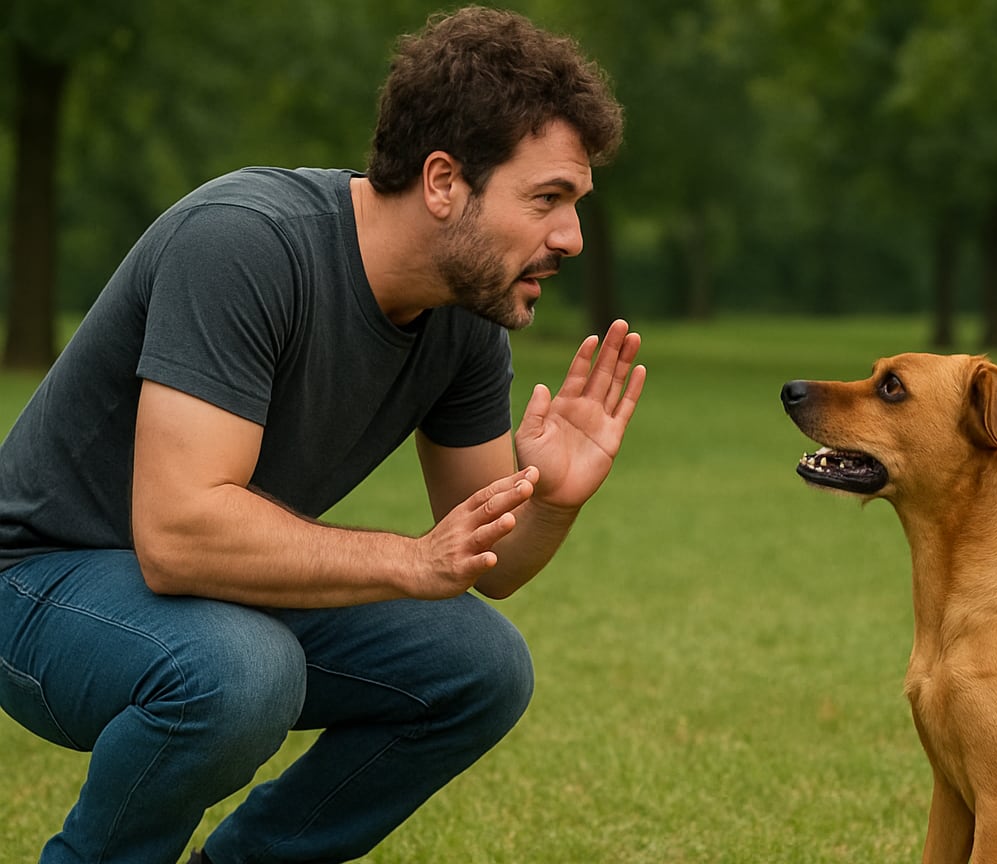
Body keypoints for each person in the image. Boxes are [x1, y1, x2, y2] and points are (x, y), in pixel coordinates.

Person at [0, 7, 644, 863]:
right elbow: (178, 536)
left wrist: (552, 503)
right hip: (39, 583)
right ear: (444, 181)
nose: (570, 236)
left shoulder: (465, 319)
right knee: (240, 672)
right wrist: (412, 562)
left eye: (575, 204)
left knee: (480, 669)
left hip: (211, 595)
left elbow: (488, 562)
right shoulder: (245, 244)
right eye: (547, 199)